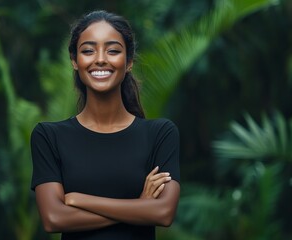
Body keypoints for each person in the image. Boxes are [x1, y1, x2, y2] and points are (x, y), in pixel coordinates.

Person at [30, 10, 180, 240]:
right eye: (88, 50)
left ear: (128, 62)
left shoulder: (160, 134)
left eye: (112, 50)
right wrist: (140, 206)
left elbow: (163, 212)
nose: (100, 59)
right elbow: (54, 218)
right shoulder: (49, 136)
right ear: (74, 61)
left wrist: (81, 200)